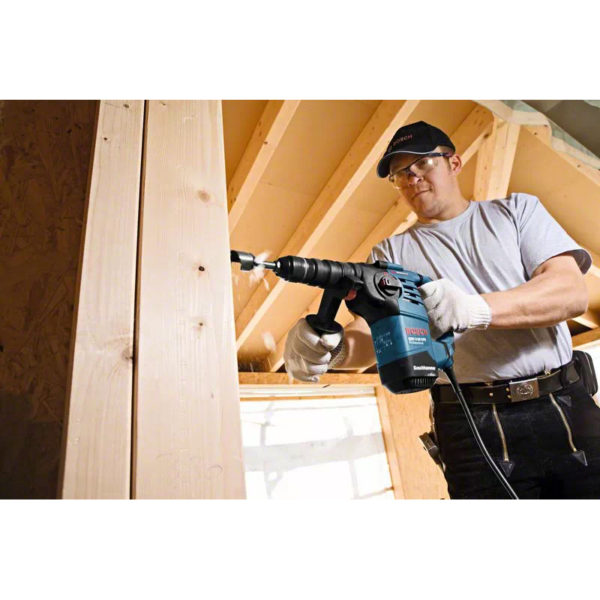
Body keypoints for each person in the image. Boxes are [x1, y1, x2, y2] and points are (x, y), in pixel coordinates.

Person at [283, 120, 600, 499]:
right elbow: (372, 334)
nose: (412, 176)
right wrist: (330, 350)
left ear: (455, 163)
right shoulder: (391, 254)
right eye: (400, 173)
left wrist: (474, 309)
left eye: (423, 163)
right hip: (468, 422)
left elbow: (569, 293)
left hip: (565, 403)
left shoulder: (517, 211)